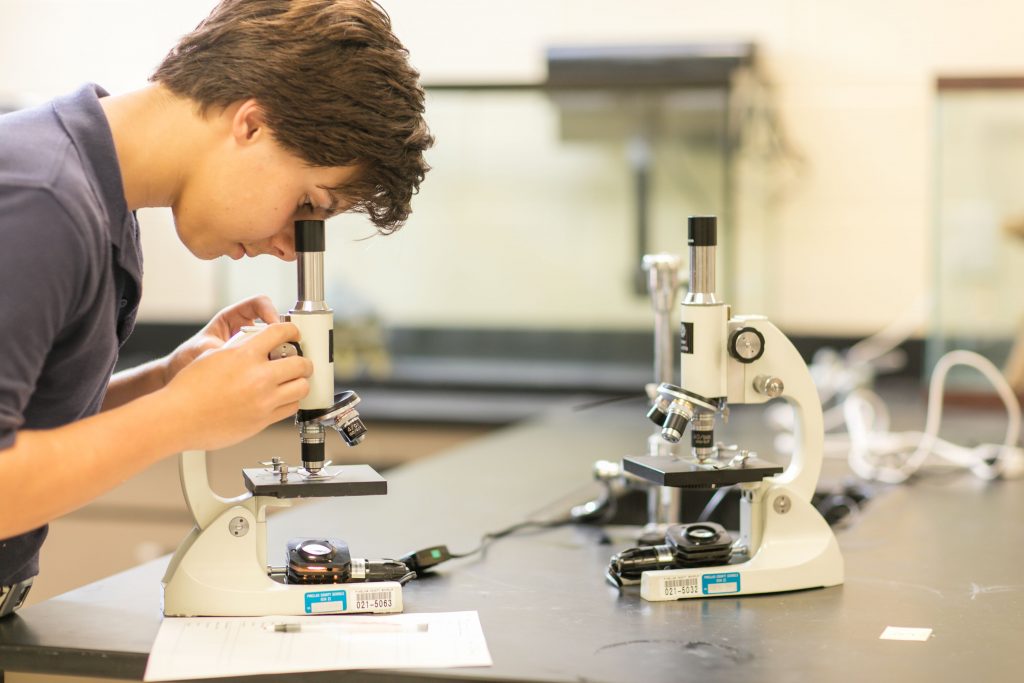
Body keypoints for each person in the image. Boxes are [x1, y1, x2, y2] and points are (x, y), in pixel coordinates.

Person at [0, 0, 432, 614]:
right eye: (306, 201)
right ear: (251, 124)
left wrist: (166, 381)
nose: (288, 248)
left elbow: (26, 428)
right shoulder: (41, 202)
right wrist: (180, 416)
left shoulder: (94, 199)